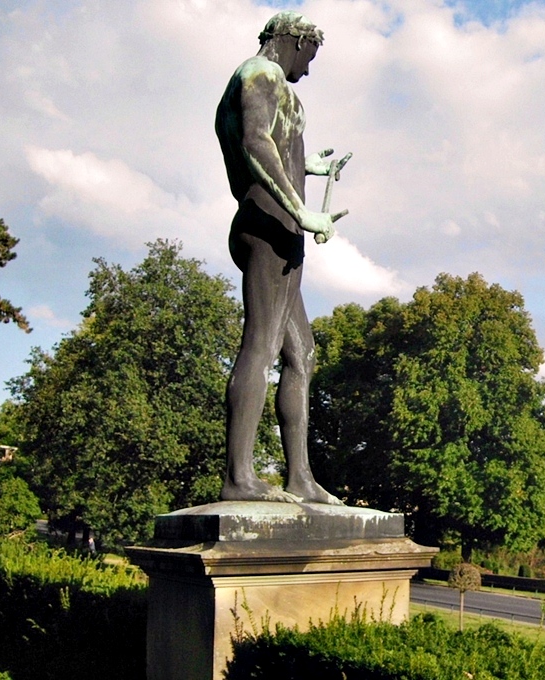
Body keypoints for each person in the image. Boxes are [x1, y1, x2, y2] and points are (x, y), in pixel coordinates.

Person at [216, 11, 349, 503]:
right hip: (271, 225)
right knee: (263, 345)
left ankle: (300, 478)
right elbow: (253, 141)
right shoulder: (261, 73)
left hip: (274, 225)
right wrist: (302, 209)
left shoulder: (261, 80)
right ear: (292, 40)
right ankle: (239, 478)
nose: (308, 70)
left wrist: (306, 165)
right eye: (308, 56)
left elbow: (270, 142)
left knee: (301, 353)